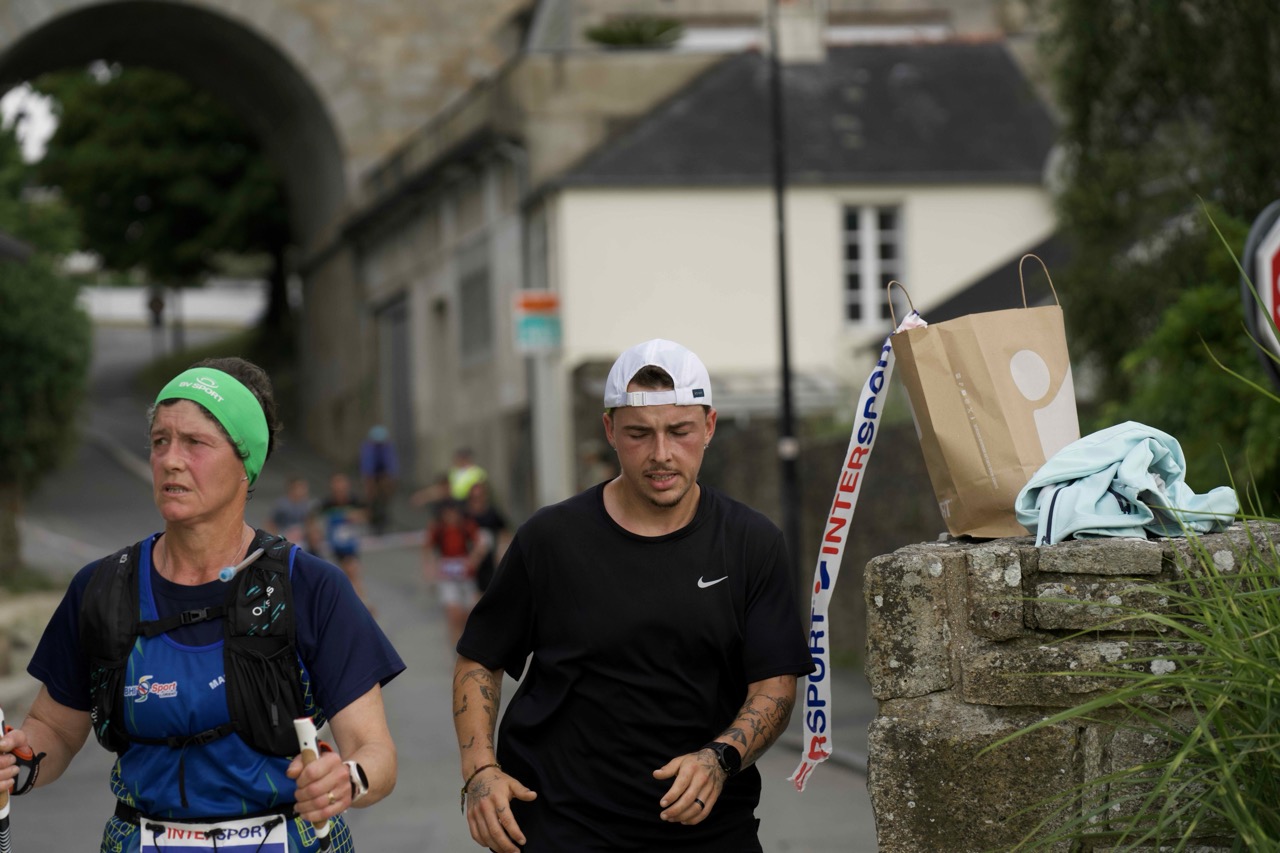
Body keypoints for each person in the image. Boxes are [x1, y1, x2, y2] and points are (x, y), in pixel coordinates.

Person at [0, 356, 405, 852]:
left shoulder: (310, 587)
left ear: (245, 463)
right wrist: (18, 763)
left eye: (195, 442)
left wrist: (348, 778)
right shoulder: (102, 588)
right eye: (160, 441)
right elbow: (54, 731)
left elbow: (375, 752)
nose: (171, 459)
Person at [452, 338, 814, 852]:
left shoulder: (751, 543)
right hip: (561, 826)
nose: (661, 454)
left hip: (706, 830)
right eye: (639, 434)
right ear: (610, 431)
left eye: (680, 431)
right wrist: (480, 771)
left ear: (709, 426)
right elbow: (479, 659)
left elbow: (774, 686)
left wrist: (719, 758)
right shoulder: (550, 539)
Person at [424, 498, 482, 646]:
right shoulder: (438, 529)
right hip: (447, 575)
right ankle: (455, 648)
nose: (451, 517)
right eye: (447, 514)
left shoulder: (466, 526)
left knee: (468, 614)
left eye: (453, 513)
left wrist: (472, 560)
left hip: (465, 575)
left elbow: (479, 545)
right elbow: (428, 549)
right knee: (453, 614)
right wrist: (431, 570)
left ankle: (468, 644)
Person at [318, 471, 370, 605]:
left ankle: (361, 603)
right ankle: (359, 604)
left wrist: (355, 516)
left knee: (352, 572)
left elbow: (366, 515)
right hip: (332, 546)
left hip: (349, 546)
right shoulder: (327, 504)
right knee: (342, 577)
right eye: (336, 485)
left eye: (342, 485)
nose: (339, 488)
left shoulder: (354, 501)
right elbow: (316, 520)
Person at [464, 480, 509, 594]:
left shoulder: (492, 514)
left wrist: (501, 551)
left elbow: (504, 533)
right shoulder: (465, 516)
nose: (477, 501)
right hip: (468, 559)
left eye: (480, 497)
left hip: (489, 560)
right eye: (474, 498)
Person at [359, 425, 399, 535]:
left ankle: (384, 514)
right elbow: (367, 466)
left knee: (386, 490)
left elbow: (391, 464)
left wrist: (390, 481)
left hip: (383, 474)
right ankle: (372, 515)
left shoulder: (388, 446)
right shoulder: (368, 447)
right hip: (372, 474)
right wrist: (369, 485)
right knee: (371, 494)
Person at [267, 475, 322, 553]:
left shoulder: (309, 506)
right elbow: (271, 524)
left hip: (303, 539)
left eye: (304, 488)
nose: (302, 491)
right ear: (291, 489)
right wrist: (277, 539)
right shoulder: (281, 505)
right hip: (285, 538)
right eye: (299, 487)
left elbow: (311, 524)